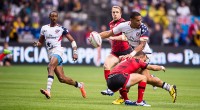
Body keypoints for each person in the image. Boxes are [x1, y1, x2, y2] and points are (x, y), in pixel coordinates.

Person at [97, 11, 177, 103]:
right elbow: (109, 33)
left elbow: (142, 45)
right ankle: (169, 87)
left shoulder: (143, 28)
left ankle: (122, 97)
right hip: (135, 53)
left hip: (144, 54)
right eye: (137, 21)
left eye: (140, 20)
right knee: (147, 78)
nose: (140, 22)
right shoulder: (123, 26)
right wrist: (97, 35)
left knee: (126, 72)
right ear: (131, 20)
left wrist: (131, 55)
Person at [33, 11, 86, 99]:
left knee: (50, 67)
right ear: (49, 17)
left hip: (58, 51)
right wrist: (37, 44)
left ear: (57, 18)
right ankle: (80, 85)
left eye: (55, 16)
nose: (54, 18)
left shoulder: (62, 29)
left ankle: (48, 91)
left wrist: (75, 52)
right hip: (50, 53)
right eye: (52, 16)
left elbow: (72, 40)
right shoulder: (44, 28)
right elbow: (40, 43)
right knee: (62, 78)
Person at [100, 6, 133, 98]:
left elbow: (124, 37)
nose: (115, 14)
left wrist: (113, 37)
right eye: (113, 12)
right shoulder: (111, 23)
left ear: (120, 13)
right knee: (106, 65)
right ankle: (110, 89)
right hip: (115, 52)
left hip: (126, 52)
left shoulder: (124, 23)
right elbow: (108, 32)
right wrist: (97, 35)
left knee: (126, 77)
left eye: (117, 12)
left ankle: (151, 78)